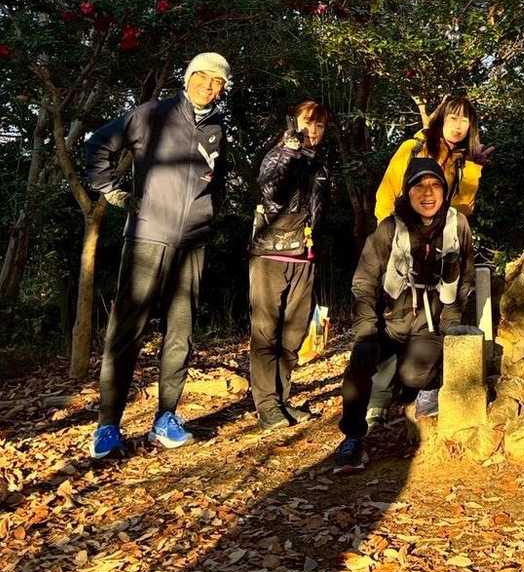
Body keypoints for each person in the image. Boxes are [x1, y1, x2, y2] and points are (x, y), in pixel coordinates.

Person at [84, 51, 231, 459]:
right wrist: (112, 190)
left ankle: (166, 418)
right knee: (126, 332)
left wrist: (210, 214)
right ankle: (108, 425)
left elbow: (219, 179)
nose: (208, 86)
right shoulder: (152, 114)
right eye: (202, 76)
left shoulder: (218, 127)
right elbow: (98, 144)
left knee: (180, 333)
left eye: (217, 81)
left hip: (192, 243)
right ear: (188, 78)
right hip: (148, 237)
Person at [336, 156, 475, 469]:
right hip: (389, 322)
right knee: (361, 359)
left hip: (430, 325)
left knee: (413, 374)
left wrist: (450, 321)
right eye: (419, 186)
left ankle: (424, 386)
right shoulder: (390, 228)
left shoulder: (457, 225)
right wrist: (367, 327)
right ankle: (353, 438)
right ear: (407, 192)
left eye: (435, 185)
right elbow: (364, 280)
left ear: (445, 191)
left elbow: (465, 278)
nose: (428, 193)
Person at [248, 100, 330, 431]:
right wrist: (290, 152)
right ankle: (267, 405)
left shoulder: (320, 165)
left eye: (320, 125)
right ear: (294, 123)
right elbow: (272, 189)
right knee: (266, 331)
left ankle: (281, 399)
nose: (314, 130)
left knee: (294, 334)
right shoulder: (278, 155)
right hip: (271, 254)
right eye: (308, 122)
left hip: (304, 255)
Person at [374, 90, 493, 224]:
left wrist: (472, 167)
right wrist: (389, 231)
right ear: (442, 120)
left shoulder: (460, 163)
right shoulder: (413, 148)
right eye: (453, 118)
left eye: (464, 120)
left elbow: (461, 211)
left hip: (435, 235)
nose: (458, 126)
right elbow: (386, 196)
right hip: (401, 229)